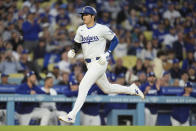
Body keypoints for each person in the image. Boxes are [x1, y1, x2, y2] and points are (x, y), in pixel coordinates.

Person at [58, 6, 144, 124]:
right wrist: (73, 51)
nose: (83, 16)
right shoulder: (81, 29)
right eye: (82, 15)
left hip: (100, 62)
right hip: (89, 63)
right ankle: (132, 89)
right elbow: (77, 44)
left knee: (83, 86)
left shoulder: (101, 28)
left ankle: (71, 115)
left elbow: (115, 40)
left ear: (93, 16)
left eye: (86, 14)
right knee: (107, 88)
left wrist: (107, 53)